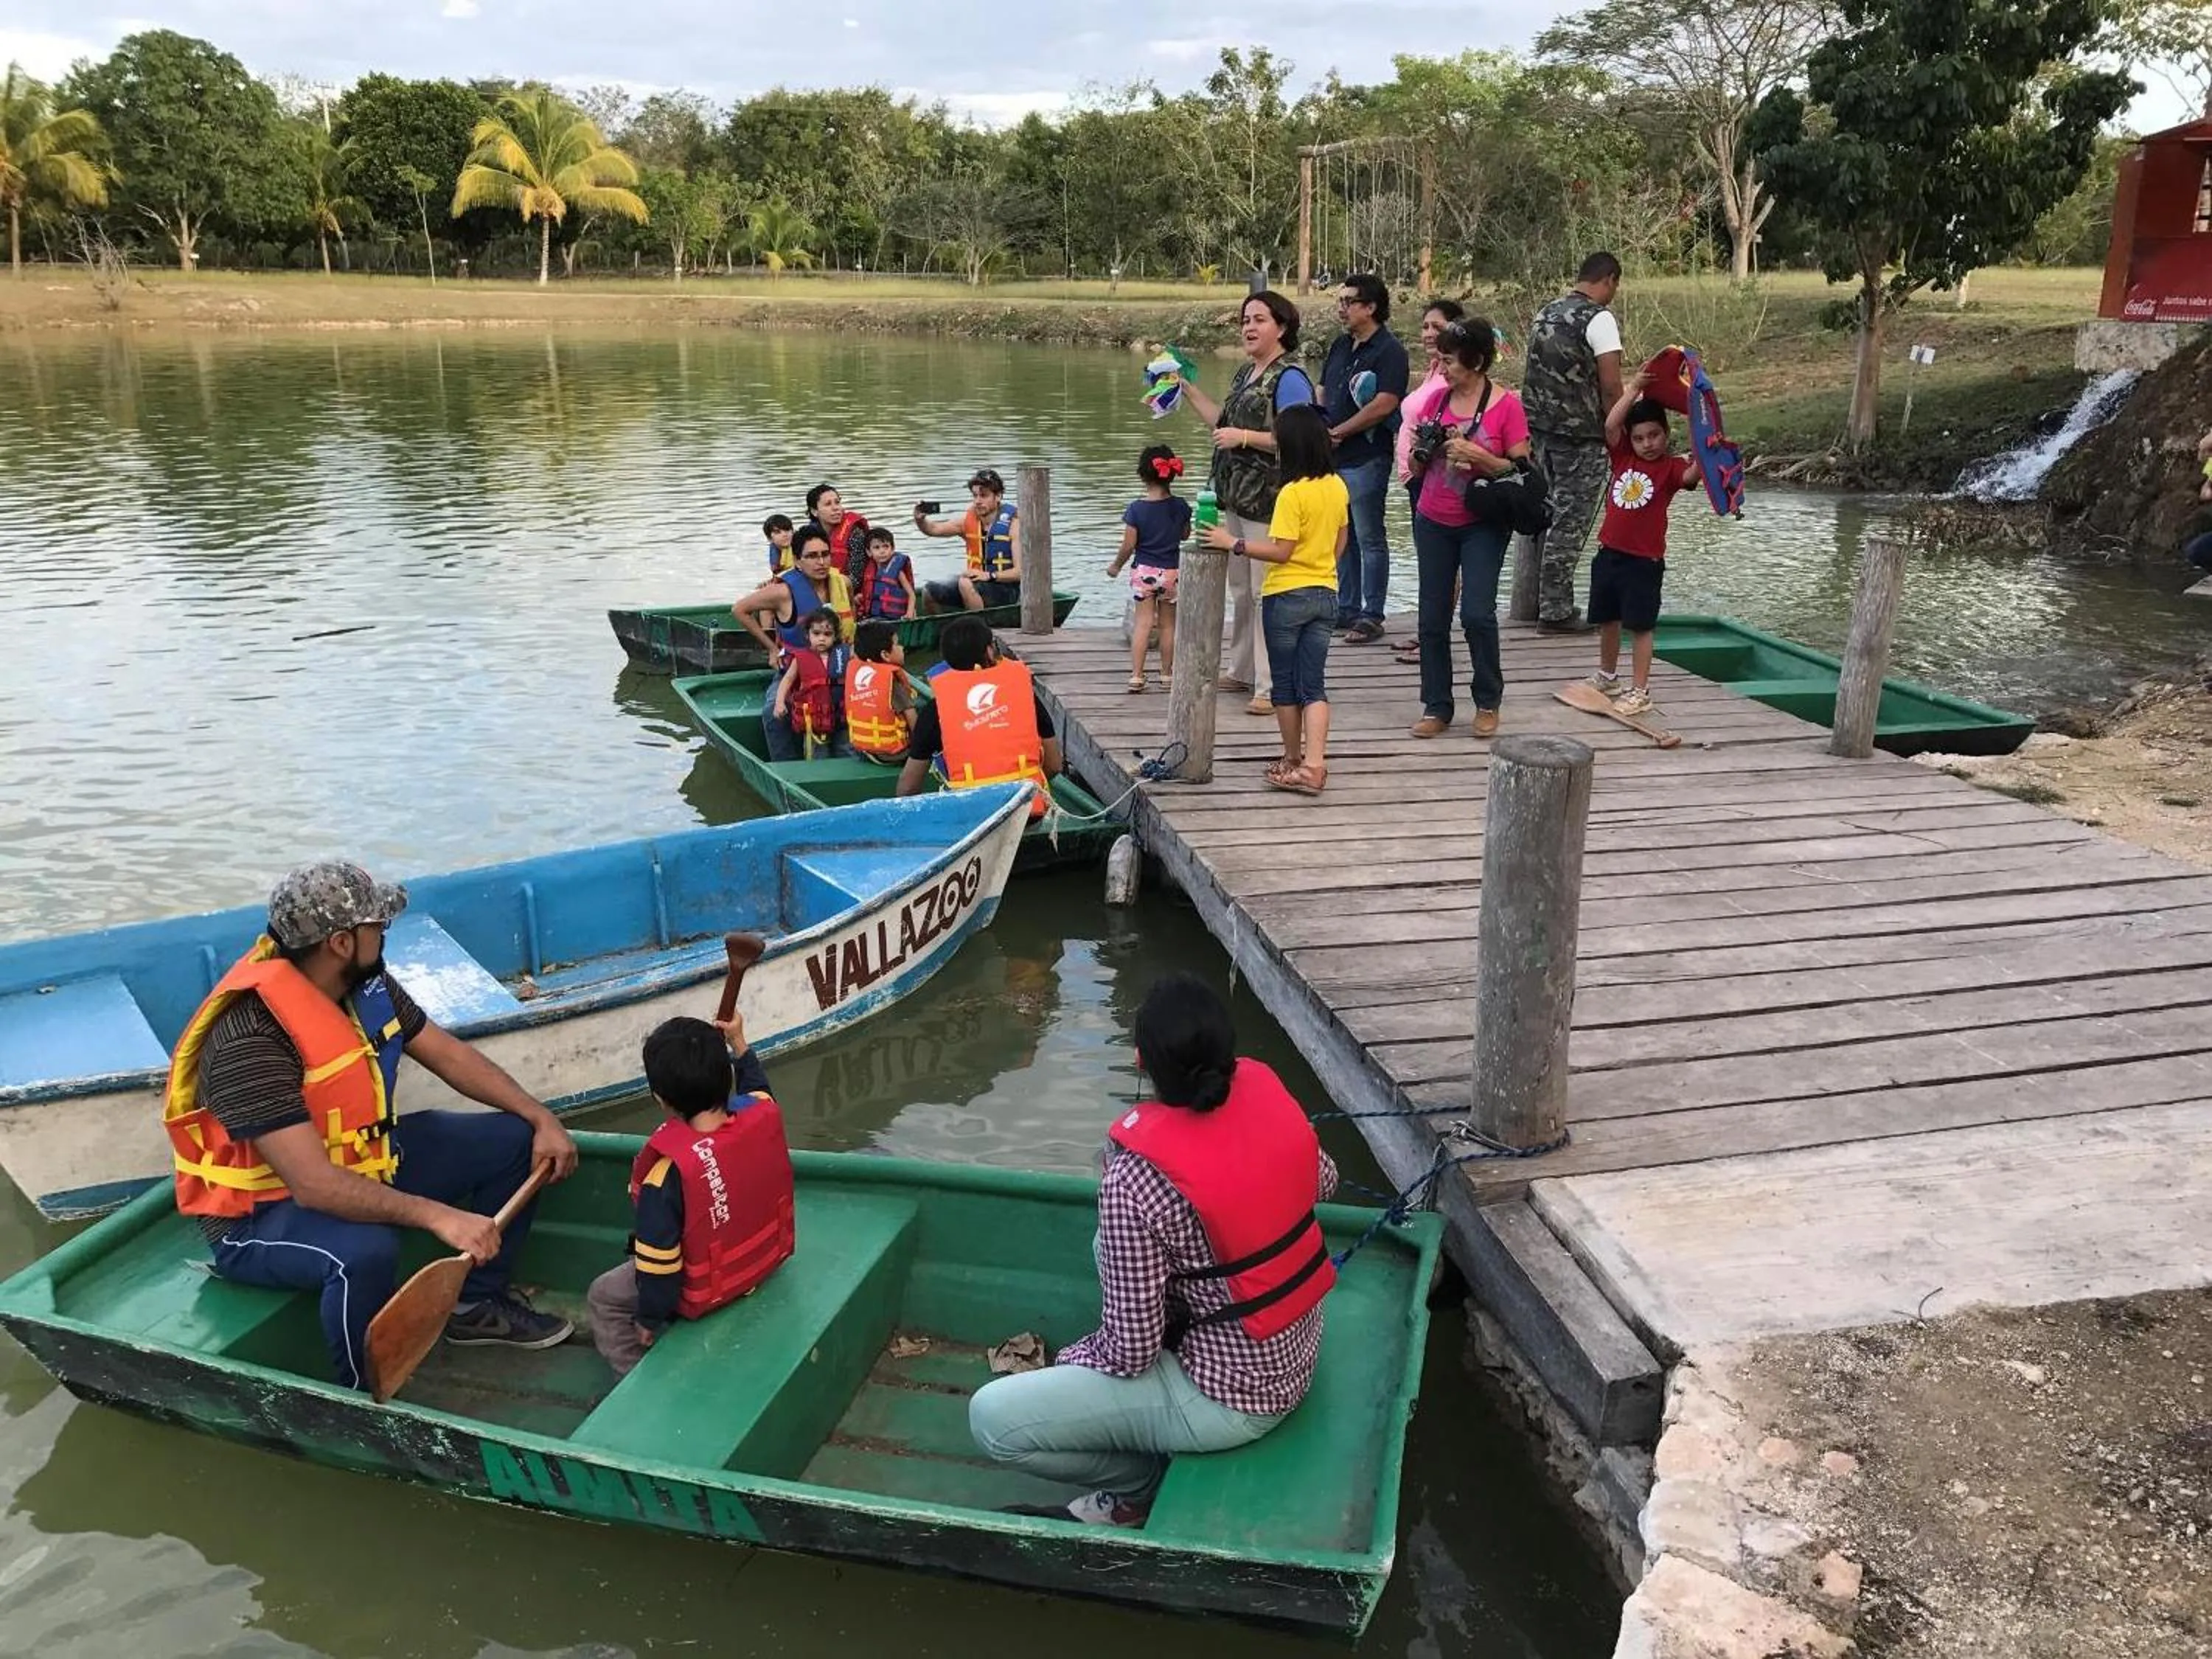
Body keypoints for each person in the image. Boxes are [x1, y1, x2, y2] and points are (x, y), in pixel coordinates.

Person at [161, 862, 580, 1392]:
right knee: (364, 1252)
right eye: (376, 926)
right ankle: (363, 1393)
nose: (385, 933)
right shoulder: (251, 1038)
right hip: (261, 1217)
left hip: (366, 1162)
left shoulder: (366, 986)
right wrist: (440, 1217)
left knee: (514, 1142)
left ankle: (476, 1305)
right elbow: (311, 1186)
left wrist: (540, 1116)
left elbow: (447, 1055)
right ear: (340, 942)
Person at [967, 972, 1338, 1528]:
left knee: (991, 1420)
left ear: (1141, 1062)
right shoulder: (1267, 1092)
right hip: (1296, 1351)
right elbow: (1323, 1182)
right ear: (1228, 1052)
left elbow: (1131, 1352)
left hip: (1229, 1400)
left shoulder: (1135, 1180)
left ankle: (1138, 1487)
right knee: (1111, 1247)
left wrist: (1074, 1357)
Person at [585, 1012, 794, 1377]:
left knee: (604, 1296)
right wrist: (739, 1044)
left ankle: (635, 1379)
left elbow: (660, 1268)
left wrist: (649, 1318)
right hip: (761, 1261)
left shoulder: (666, 1174)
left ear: (661, 1099)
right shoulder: (761, 1113)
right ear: (726, 1076)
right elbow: (758, 1088)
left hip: (709, 1287)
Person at [1176, 291, 1319, 717]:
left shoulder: (1290, 378)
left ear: (1282, 327)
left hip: (1271, 501)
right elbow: (1224, 421)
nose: (1249, 328)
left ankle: (1270, 684)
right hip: (1236, 498)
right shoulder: (1245, 373)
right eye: (1245, 320)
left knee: (1263, 592)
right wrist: (1186, 390)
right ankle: (1241, 668)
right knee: (1240, 589)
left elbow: (1298, 439)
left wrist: (1244, 438)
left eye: (1259, 319)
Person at [1201, 405, 1345, 798]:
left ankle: (1292, 760)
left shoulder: (1291, 494)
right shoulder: (1336, 485)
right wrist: (1322, 568)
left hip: (1286, 596)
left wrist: (1234, 543)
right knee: (1313, 684)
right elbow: (1341, 541)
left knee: (1284, 685)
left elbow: (1281, 551)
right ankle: (1316, 764)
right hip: (1325, 593)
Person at [1408, 317, 1534, 741]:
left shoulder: (1507, 406)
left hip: (1483, 521)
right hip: (1433, 518)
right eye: (1440, 359)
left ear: (1477, 361)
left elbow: (1520, 471)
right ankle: (1436, 704)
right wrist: (1427, 453)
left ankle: (1487, 700)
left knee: (1477, 613)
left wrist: (1477, 455)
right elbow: (1413, 466)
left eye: (1449, 360)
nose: (1442, 368)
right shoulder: (1436, 403)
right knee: (1432, 617)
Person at [1522, 251, 1627, 631]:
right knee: (1572, 522)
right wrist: (1619, 432)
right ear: (1609, 280)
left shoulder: (1547, 311)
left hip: (1541, 433)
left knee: (1550, 515)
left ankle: (1540, 602)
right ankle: (1555, 611)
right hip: (1582, 437)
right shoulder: (1599, 318)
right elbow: (1612, 386)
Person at [1586, 378, 1700, 717]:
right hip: (1609, 554)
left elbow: (1694, 476)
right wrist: (1635, 387)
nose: (1647, 444)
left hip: (1643, 562)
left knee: (1640, 626)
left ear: (1666, 434)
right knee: (1607, 618)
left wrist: (1703, 435)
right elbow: (1610, 423)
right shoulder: (1622, 456)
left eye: (1654, 436)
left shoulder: (1672, 467)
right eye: (1639, 438)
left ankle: (1640, 690)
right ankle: (1608, 677)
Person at [894, 614, 1062, 820]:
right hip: (1027, 814)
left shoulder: (936, 710)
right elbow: (1054, 765)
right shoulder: (1023, 694)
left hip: (972, 819)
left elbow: (908, 787)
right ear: (989, 651)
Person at [1320, 273, 1410, 645]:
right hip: (1333, 456)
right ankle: (1346, 605)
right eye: (1340, 301)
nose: (1342, 308)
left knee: (1370, 535)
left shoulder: (1390, 351)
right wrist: (1321, 426)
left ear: (1370, 307)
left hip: (1366, 456)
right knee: (1343, 534)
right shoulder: (1341, 345)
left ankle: (1371, 614)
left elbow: (1385, 404)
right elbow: (1324, 389)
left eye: (1349, 302)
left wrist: (1340, 432)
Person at [731, 526, 855, 760]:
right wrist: (772, 649)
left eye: (825, 554)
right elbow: (739, 610)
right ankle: (786, 769)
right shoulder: (782, 591)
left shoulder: (842, 584)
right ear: (797, 560)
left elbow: (852, 620)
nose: (821, 562)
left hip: (839, 669)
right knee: (772, 713)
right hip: (795, 671)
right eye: (812, 556)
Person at [1392, 298, 1466, 665]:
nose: (1429, 334)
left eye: (1437, 327)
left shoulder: (1454, 376)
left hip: (1435, 479)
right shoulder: (1433, 370)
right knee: (1427, 562)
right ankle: (1427, 630)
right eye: (1425, 327)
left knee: (1442, 564)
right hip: (1414, 478)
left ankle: (1435, 639)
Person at [1105, 445, 1192, 693]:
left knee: (1142, 624)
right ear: (1172, 474)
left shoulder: (1136, 509)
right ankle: (1166, 675)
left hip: (1144, 572)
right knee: (1168, 626)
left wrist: (1116, 566)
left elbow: (1129, 545)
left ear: (1142, 475)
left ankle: (1136, 675)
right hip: (1171, 573)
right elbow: (1185, 535)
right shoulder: (1180, 506)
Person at [913, 470, 1020, 613]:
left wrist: (989, 576)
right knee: (929, 591)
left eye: (984, 495)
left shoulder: (1014, 524)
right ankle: (940, 631)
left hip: (1006, 589)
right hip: (975, 584)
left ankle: (980, 631)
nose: (978, 501)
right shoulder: (967, 522)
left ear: (998, 496)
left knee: (965, 583)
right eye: (975, 495)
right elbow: (933, 529)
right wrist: (920, 520)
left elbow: (1021, 572)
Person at [773, 610, 851, 757]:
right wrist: (779, 703)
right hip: (814, 725)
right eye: (816, 634)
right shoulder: (800, 659)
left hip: (842, 721)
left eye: (827, 635)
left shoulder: (845, 655)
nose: (822, 639)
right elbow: (787, 680)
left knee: (847, 753)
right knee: (818, 758)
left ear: (835, 637)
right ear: (808, 635)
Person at [844, 618, 916, 765]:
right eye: (897, 644)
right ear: (885, 655)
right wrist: (923, 746)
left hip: (866, 750)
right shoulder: (891, 681)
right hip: (894, 754)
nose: (902, 648)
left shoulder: (857, 670)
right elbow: (911, 716)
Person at [806, 484, 872, 580]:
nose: (836, 508)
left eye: (837, 503)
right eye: (828, 504)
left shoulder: (856, 534)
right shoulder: (808, 534)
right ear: (814, 511)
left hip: (849, 590)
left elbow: (856, 578)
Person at [855, 526, 917, 622]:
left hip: (893, 618)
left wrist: (909, 613)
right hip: (874, 615)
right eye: (877, 548)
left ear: (892, 549)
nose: (882, 551)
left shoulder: (898, 572)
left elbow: (911, 595)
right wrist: (859, 598)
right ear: (869, 552)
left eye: (886, 546)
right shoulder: (869, 571)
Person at [762, 512, 796, 576]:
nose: (784, 535)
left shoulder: (802, 547)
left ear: (793, 532)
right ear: (769, 538)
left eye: (787, 530)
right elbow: (776, 573)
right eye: (778, 532)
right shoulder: (774, 551)